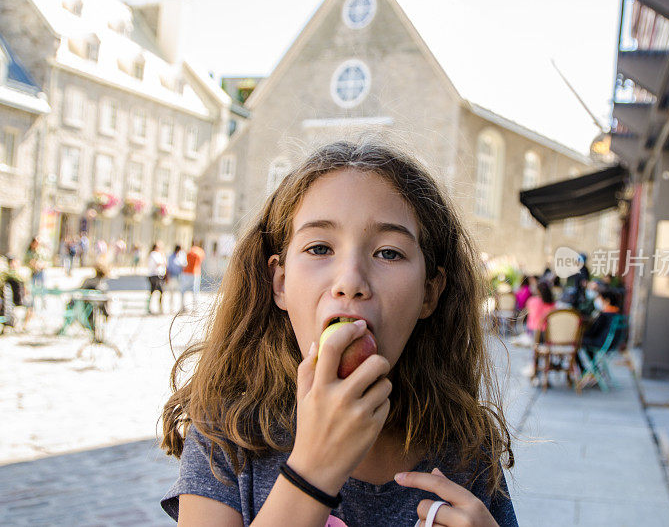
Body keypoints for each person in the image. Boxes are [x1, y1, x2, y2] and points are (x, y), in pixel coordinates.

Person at [159, 141, 518, 526]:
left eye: (389, 253)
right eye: (319, 248)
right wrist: (312, 471)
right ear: (280, 283)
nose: (350, 282)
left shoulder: (465, 451)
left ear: (429, 292)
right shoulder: (227, 436)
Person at [576, 287, 623, 373]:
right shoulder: (617, 314)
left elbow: (593, 331)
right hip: (610, 344)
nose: (598, 301)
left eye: (600, 299)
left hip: (601, 342)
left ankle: (585, 371)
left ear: (607, 301)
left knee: (576, 343)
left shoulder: (605, 315)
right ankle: (594, 369)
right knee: (586, 343)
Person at [181, 239, 205, 312]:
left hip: (187, 272)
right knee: (195, 291)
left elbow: (185, 262)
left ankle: (183, 307)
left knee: (183, 291)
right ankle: (195, 308)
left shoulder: (189, 251)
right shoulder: (200, 252)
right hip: (196, 273)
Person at [166, 245, 187, 313]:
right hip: (173, 276)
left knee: (181, 293)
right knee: (171, 293)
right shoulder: (171, 257)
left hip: (180, 276)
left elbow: (185, 265)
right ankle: (171, 308)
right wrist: (167, 277)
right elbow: (168, 268)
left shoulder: (182, 256)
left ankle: (181, 307)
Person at [147, 242, 166, 315]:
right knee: (156, 292)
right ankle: (151, 307)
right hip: (154, 275)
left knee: (159, 292)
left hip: (159, 275)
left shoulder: (158, 254)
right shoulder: (154, 254)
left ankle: (158, 307)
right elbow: (160, 263)